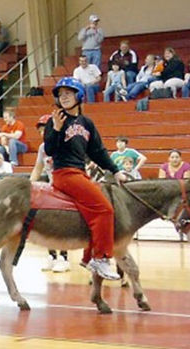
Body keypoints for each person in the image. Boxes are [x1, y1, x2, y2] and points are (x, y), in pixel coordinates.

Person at [44, 77, 127, 280]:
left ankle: (89, 257)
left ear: (79, 96)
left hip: (80, 174)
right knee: (105, 209)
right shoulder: (54, 120)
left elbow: (98, 151)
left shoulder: (86, 123)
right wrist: (55, 129)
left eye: (68, 93)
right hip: (64, 173)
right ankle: (101, 258)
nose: (63, 97)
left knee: (96, 212)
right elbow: (49, 150)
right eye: (61, 94)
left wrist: (115, 170)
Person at [29, 114, 70, 272]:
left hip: (66, 186)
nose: (42, 133)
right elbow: (38, 169)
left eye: (44, 129)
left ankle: (64, 258)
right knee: (47, 222)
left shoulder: (63, 144)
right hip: (52, 187)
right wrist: (29, 185)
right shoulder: (42, 148)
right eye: (40, 131)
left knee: (62, 223)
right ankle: (52, 255)